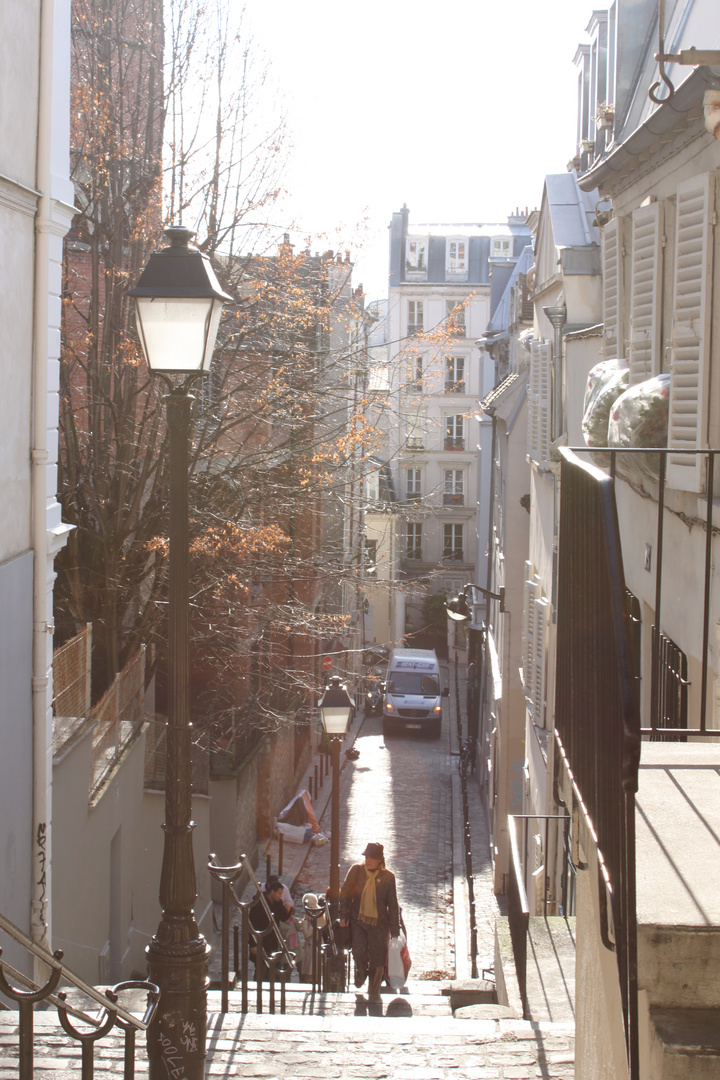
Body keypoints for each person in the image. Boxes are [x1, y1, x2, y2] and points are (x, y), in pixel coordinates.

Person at [339, 842, 400, 1003]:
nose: (369, 860)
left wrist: (395, 930)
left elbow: (392, 904)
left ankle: (374, 995)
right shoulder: (356, 871)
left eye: (372, 857)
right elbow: (345, 892)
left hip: (379, 924)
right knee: (358, 951)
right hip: (358, 919)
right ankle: (361, 972)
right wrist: (342, 915)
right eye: (366, 856)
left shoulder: (388, 877)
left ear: (380, 859)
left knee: (378, 959)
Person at [249, 876, 292, 976]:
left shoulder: (278, 903)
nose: (280, 896)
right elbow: (252, 924)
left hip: (272, 940)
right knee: (260, 969)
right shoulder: (259, 903)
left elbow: (283, 917)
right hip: (260, 940)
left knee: (271, 969)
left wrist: (288, 910)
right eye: (279, 894)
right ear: (272, 891)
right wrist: (253, 944)